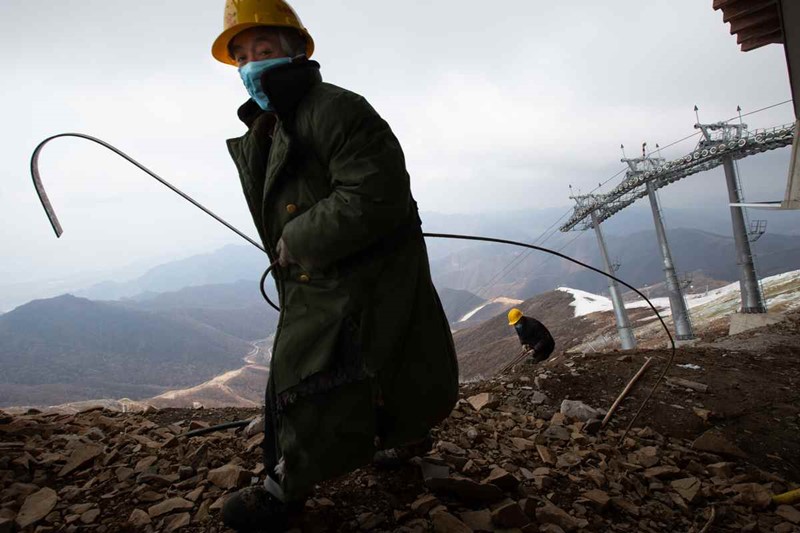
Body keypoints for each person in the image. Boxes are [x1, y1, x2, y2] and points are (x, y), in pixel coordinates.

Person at [211, 1, 459, 531]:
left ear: (296, 50)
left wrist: (297, 238)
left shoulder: (335, 109)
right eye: (242, 56)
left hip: (352, 274)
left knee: (308, 375)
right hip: (329, 271)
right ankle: (405, 437)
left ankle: (288, 486)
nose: (251, 64)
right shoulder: (276, 122)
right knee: (389, 355)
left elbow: (375, 192)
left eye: (265, 50)